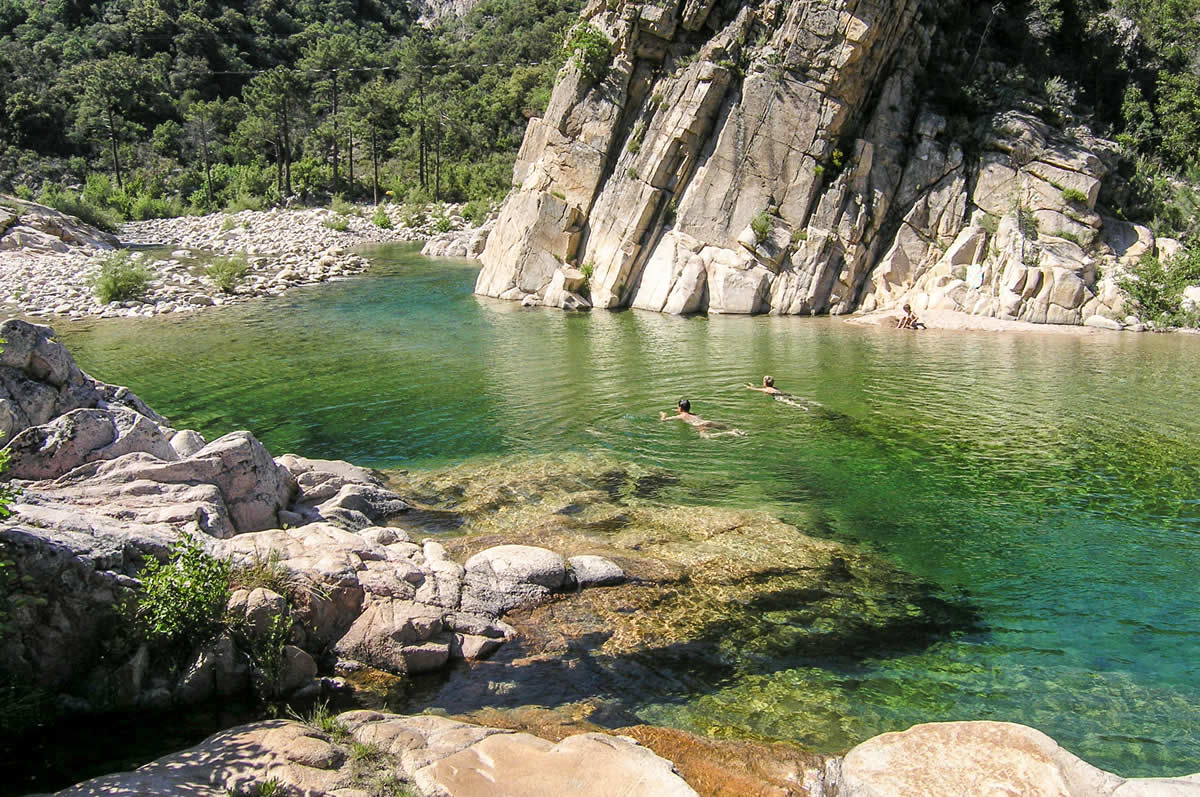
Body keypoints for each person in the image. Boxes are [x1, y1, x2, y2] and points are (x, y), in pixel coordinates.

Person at [660, 398, 745, 436]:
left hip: (700, 426)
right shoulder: (692, 414)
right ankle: (737, 431)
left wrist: (663, 415)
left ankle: (730, 433)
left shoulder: (681, 416)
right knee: (725, 427)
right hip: (706, 421)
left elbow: (664, 420)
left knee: (707, 437)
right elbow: (689, 414)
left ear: (680, 408)